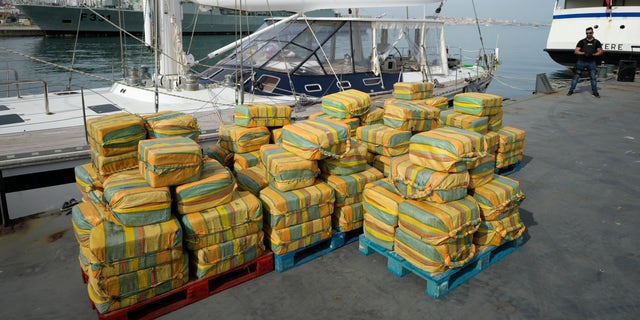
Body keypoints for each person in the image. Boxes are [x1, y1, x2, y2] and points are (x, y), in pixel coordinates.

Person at [567, 27, 604, 97]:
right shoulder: (582, 41)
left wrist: (593, 54)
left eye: (590, 33)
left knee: (593, 78)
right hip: (581, 61)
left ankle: (595, 92)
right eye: (587, 33)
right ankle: (571, 90)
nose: (588, 34)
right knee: (576, 77)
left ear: (593, 33)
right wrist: (584, 53)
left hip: (592, 62)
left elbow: (600, 52)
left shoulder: (596, 42)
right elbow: (576, 51)